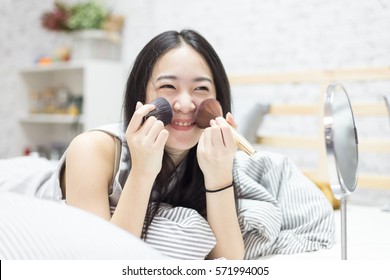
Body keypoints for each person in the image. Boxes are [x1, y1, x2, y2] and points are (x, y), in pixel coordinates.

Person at [55, 29, 335, 260]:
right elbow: (103, 263)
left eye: (201, 89)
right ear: (141, 93)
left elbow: (229, 262)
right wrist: (143, 170)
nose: (186, 104)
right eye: (168, 87)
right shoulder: (92, 150)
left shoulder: (210, 157)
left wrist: (218, 174)